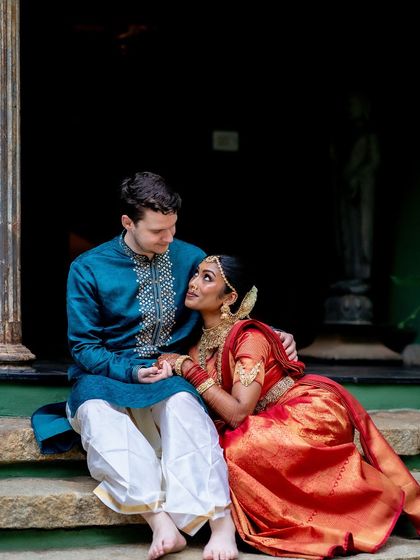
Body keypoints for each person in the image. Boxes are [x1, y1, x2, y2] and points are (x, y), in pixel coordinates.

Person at [63, 171, 297, 560]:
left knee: (185, 410)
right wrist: (130, 372)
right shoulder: (88, 268)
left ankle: (219, 524)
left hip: (170, 369)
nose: (169, 239)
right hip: (107, 373)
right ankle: (161, 524)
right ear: (127, 222)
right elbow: (83, 346)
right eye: (158, 231)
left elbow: (221, 301)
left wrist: (269, 332)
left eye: (173, 228)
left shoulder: (188, 256)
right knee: (97, 418)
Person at [157, 254, 420, 559]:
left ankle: (369, 508)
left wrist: (187, 369)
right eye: (195, 275)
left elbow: (238, 412)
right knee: (217, 444)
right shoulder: (196, 346)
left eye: (207, 278)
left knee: (238, 447)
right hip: (260, 421)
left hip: (305, 412)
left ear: (229, 297)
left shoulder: (249, 338)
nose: (193, 284)